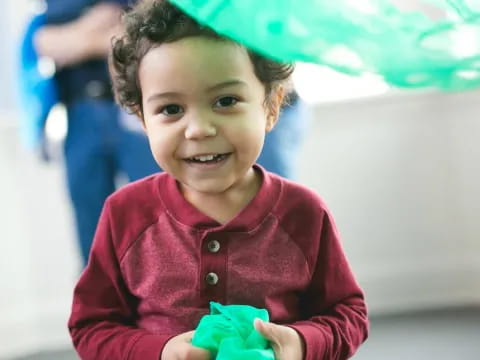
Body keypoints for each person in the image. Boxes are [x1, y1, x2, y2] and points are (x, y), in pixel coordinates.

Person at [68, 1, 368, 359]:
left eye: (226, 100)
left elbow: (348, 314)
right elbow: (91, 326)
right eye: (171, 109)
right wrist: (161, 352)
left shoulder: (303, 213)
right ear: (142, 120)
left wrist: (301, 342)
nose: (199, 129)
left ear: (270, 108)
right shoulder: (125, 214)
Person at [34, 0, 160, 265]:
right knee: (93, 235)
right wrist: (103, 34)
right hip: (81, 113)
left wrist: (77, 40)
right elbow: (44, 42)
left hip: (139, 108)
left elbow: (154, 29)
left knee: (161, 218)